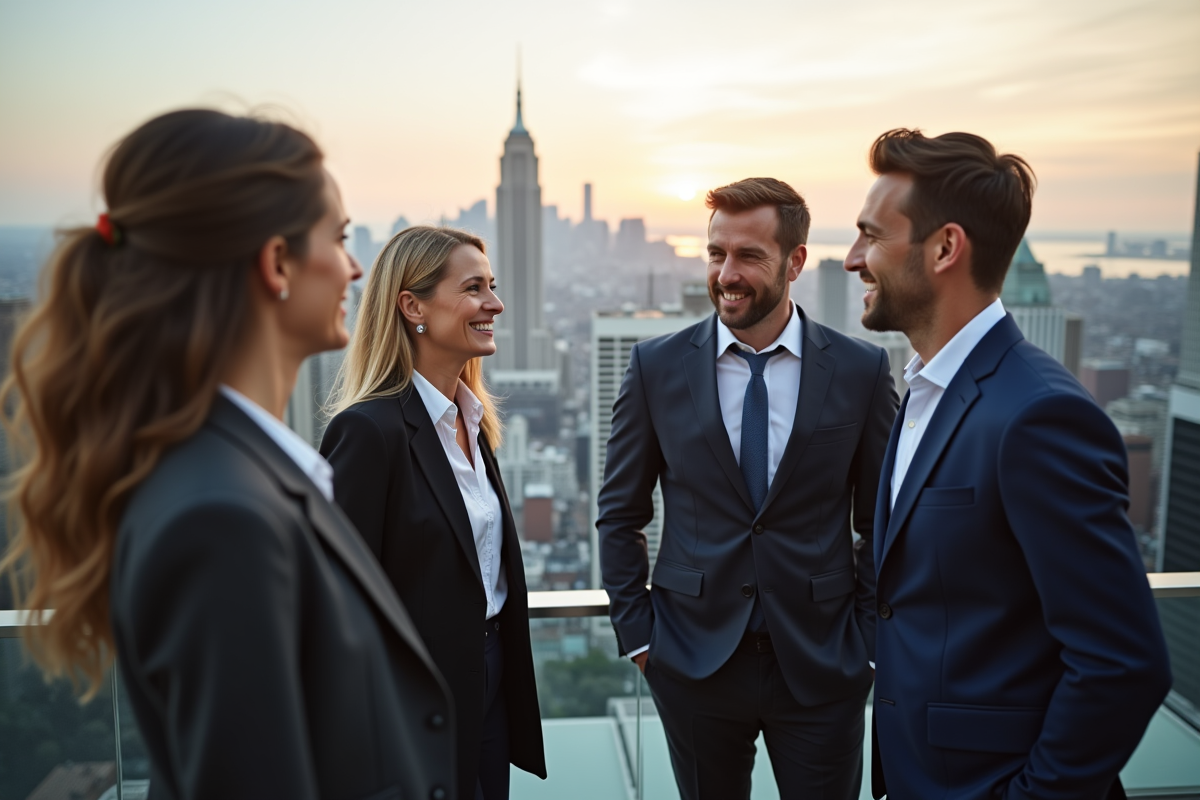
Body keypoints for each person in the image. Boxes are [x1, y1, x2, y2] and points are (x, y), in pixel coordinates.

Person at [0, 109, 456, 800]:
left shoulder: (227, 475)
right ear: (276, 264)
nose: (354, 266)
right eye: (338, 238)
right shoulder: (223, 517)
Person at [845, 128, 1172, 800]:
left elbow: (1122, 662)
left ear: (945, 248)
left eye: (870, 236)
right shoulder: (924, 392)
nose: (852, 259)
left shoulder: (1039, 417)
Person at [599, 177, 898, 799]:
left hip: (823, 664)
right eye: (716, 254)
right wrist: (642, 640)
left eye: (749, 256)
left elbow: (882, 521)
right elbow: (620, 514)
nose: (726, 274)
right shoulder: (655, 367)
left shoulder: (861, 370)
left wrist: (867, 646)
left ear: (795, 261)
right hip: (691, 662)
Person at [320, 226, 546, 800]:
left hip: (491, 678)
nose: (495, 304)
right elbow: (337, 604)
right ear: (412, 306)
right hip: (415, 698)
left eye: (492, 286)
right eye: (474, 288)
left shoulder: (473, 425)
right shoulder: (368, 432)